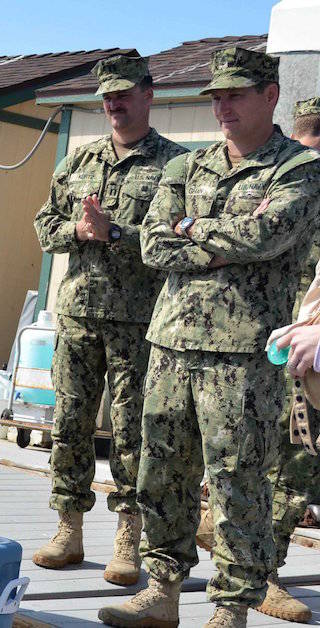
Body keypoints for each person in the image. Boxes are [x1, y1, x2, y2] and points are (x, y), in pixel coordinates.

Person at [99, 48, 320, 628]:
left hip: (243, 352)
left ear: (270, 95)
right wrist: (218, 241)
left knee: (238, 480)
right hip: (170, 341)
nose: (222, 107)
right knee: (161, 471)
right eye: (216, 96)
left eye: (235, 95)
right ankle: (162, 590)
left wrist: (191, 228)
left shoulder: (298, 169)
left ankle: (230, 606)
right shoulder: (185, 167)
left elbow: (268, 235)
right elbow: (151, 245)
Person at [31, 54, 185, 586]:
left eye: (124, 94)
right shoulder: (79, 160)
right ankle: (68, 530)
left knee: (131, 430)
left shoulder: (177, 166)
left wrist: (116, 233)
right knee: (69, 423)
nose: (115, 104)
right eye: (107, 96)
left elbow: (176, 243)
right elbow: (44, 223)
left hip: (138, 322)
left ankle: (128, 537)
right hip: (77, 314)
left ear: (148, 94)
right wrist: (78, 231)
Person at [195, 96, 320, 624]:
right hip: (285, 344)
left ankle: (234, 541)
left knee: (287, 459)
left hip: (291, 339)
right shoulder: (291, 182)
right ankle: (261, 574)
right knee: (291, 461)